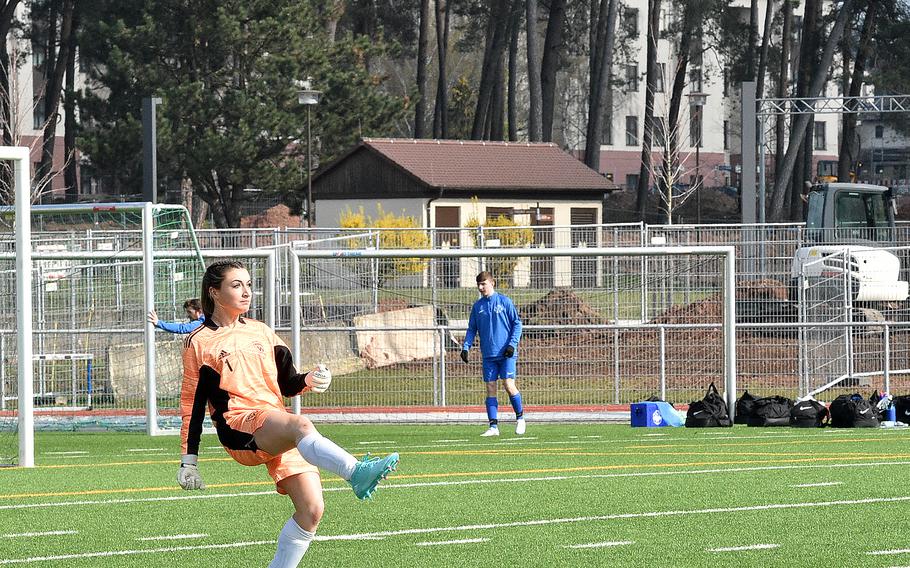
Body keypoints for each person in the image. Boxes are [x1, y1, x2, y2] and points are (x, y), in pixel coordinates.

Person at [177, 260, 399, 568]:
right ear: (214, 292)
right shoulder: (198, 341)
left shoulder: (262, 332)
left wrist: (309, 379)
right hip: (240, 427)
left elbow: (287, 382)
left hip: (275, 424)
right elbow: (192, 405)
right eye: (236, 285)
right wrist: (189, 461)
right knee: (302, 424)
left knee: (312, 510)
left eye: (249, 285)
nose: (246, 292)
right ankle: (356, 472)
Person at [460, 271, 525, 437]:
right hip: (488, 355)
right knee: (490, 388)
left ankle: (520, 418)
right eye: (479, 285)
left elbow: (517, 324)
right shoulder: (478, 307)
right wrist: (466, 347)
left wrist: (512, 345)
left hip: (506, 354)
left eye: (484, 284)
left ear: (492, 283)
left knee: (508, 385)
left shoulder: (504, 301)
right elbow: (471, 329)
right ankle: (493, 427)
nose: (481, 288)